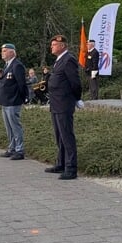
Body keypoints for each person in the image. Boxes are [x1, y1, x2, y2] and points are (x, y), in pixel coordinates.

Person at [45, 35, 82, 180]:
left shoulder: (69, 60)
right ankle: (61, 163)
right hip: (56, 103)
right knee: (59, 136)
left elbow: (75, 82)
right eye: (52, 44)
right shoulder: (59, 60)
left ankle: (71, 168)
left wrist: (77, 98)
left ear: (62, 46)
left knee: (66, 136)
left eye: (54, 44)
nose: (52, 46)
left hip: (64, 103)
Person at [0, 43, 29, 160]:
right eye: (2, 51)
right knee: (8, 127)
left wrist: (23, 97)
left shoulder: (17, 65)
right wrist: (0, 77)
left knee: (15, 126)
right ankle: (12, 148)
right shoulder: (7, 65)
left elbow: (21, 84)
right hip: (5, 101)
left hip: (13, 100)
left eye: (4, 51)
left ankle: (19, 149)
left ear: (12, 52)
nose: (2, 53)